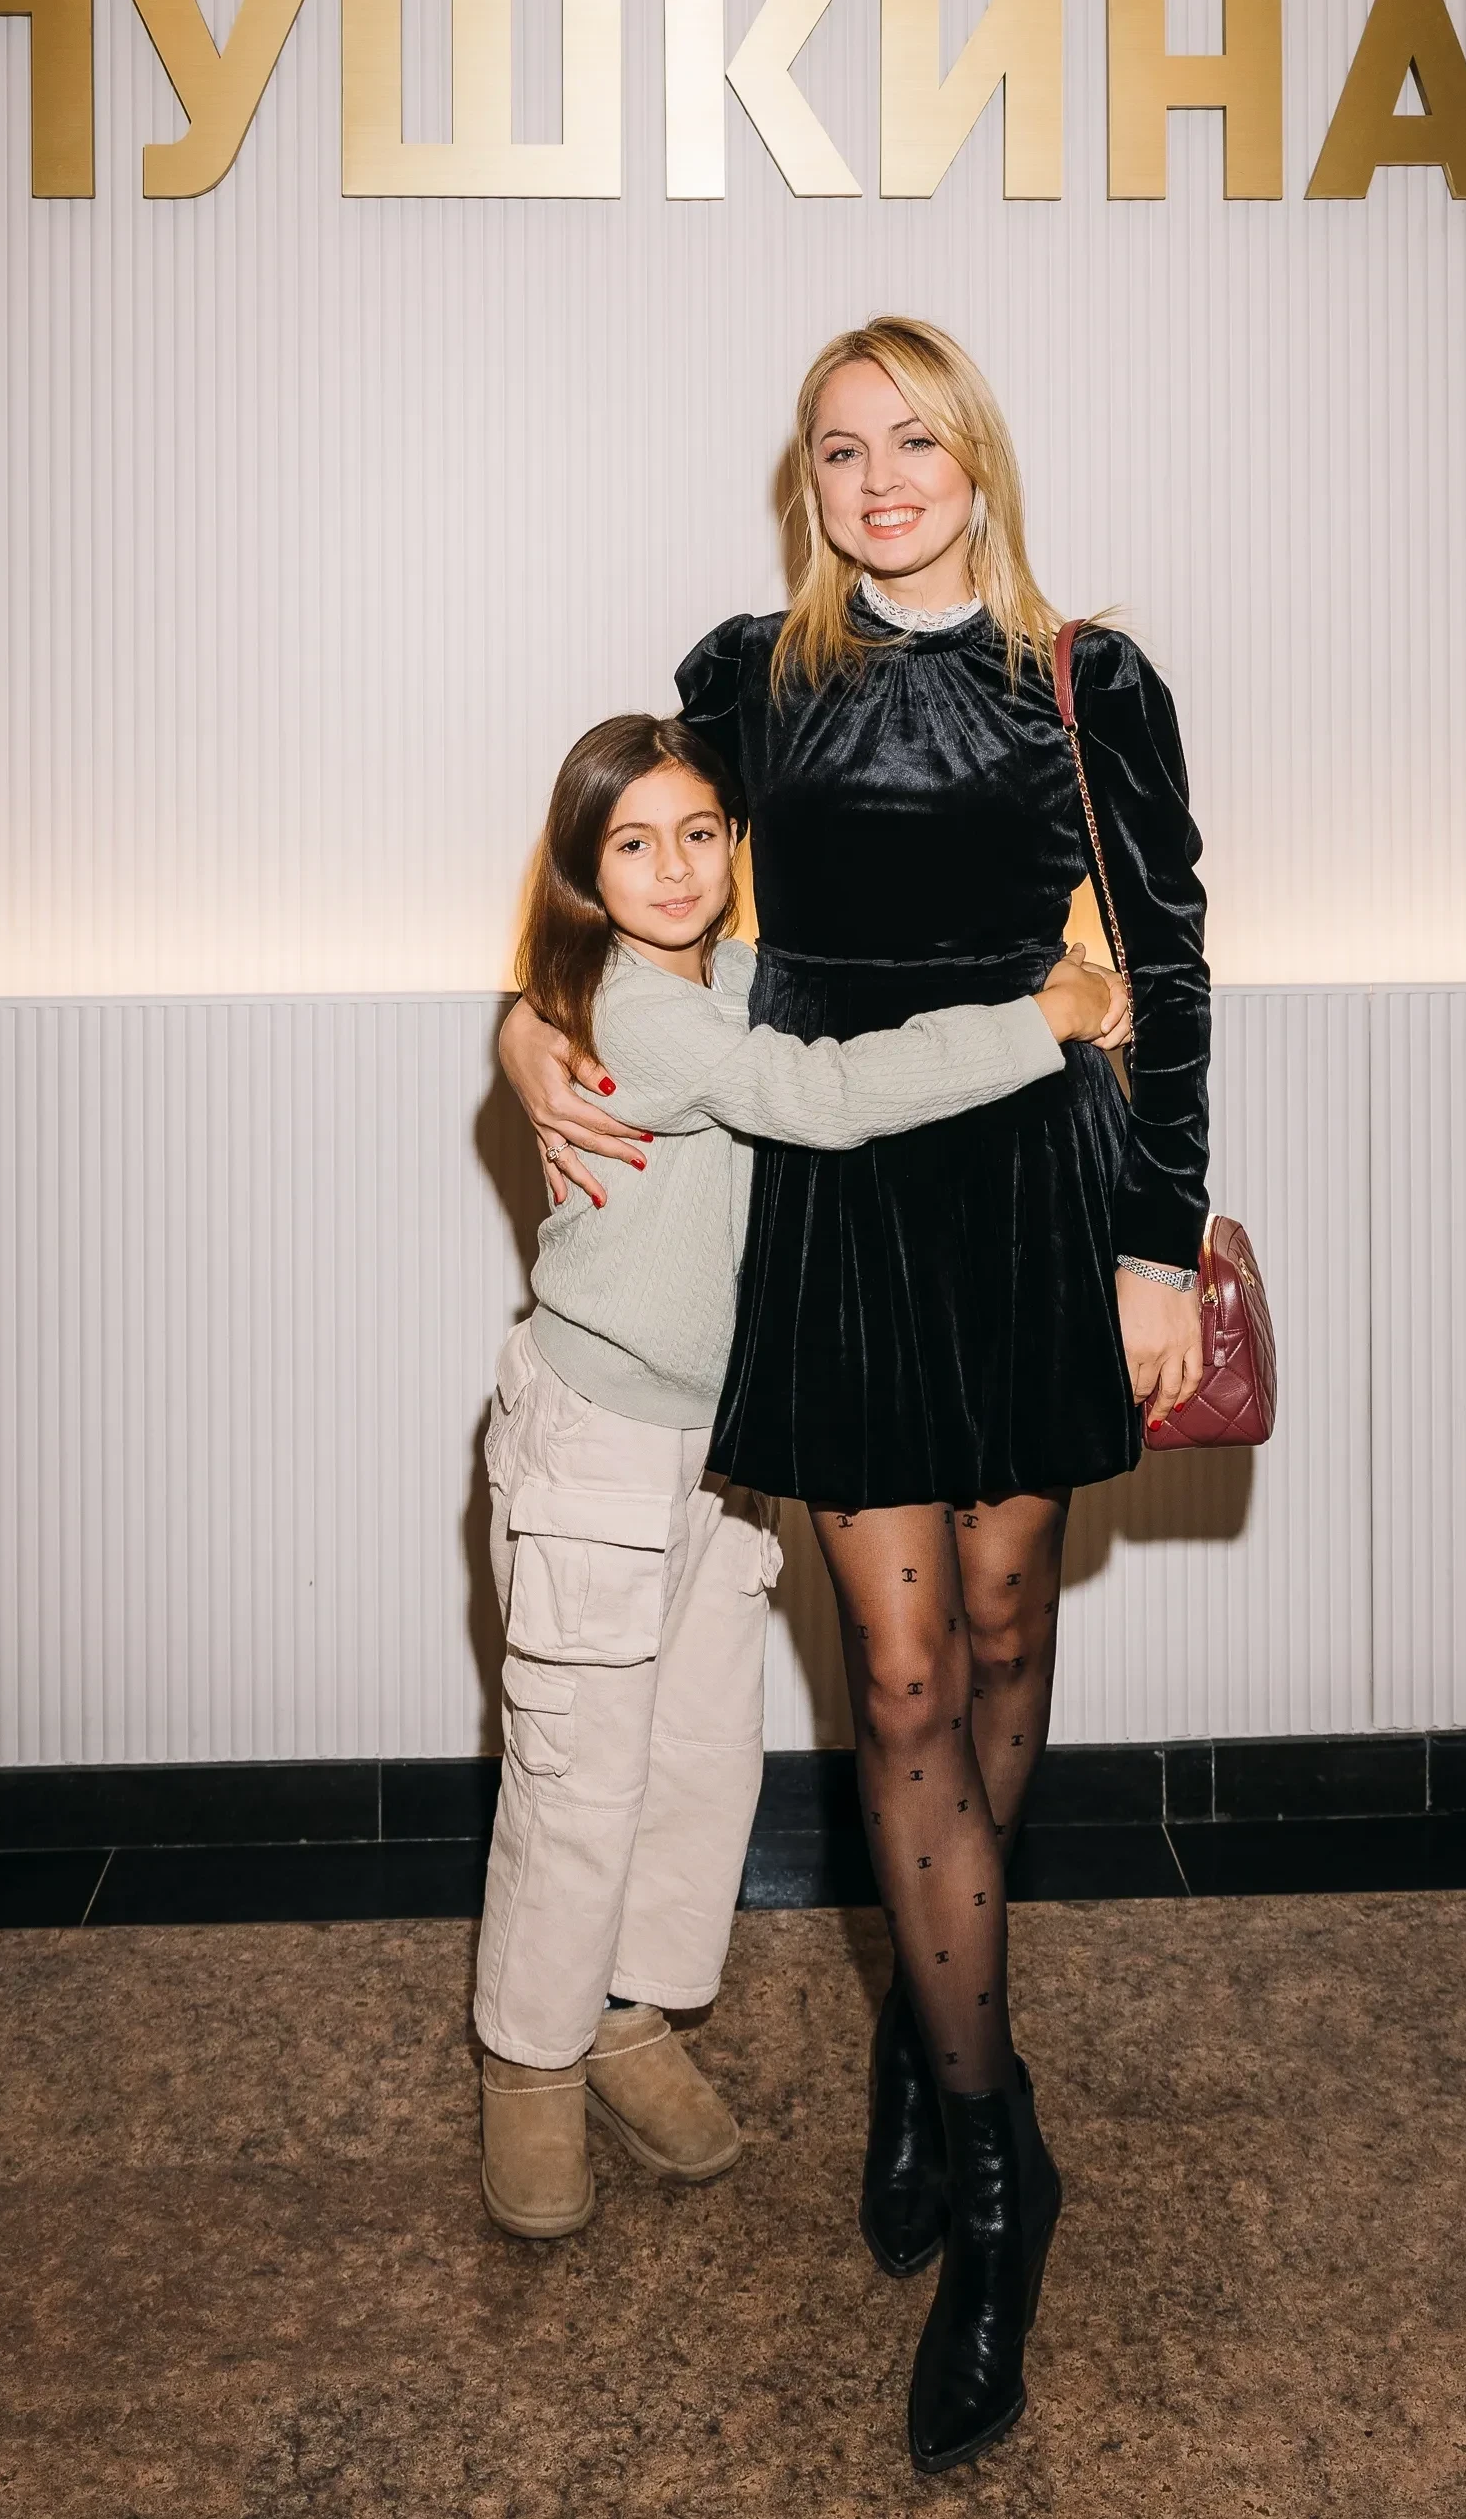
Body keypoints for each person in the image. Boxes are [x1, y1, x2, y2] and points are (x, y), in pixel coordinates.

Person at [499, 318, 1211, 2471]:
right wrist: (527, 1035)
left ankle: (924, 2023)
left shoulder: (1086, 679)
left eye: (915, 440)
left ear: (976, 457)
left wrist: (1156, 1246)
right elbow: (615, 878)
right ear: (803, 482)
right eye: (841, 450)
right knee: (895, 1681)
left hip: (1027, 1190)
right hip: (839, 1202)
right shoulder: (749, 674)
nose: (881, 478)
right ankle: (998, 2176)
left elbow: (1170, 969)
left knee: (998, 1631)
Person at [476, 706, 1130, 2246]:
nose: (675, 866)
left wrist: (1050, 983)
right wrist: (1040, 1020)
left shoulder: (733, 979)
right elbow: (824, 1096)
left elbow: (864, 1010)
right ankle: (530, 2062)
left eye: (701, 832)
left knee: (701, 1759)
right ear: (582, 871)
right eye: (633, 842)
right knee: (579, 1770)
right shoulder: (635, 1009)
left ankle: (629, 2020)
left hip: (728, 1444)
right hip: (599, 1435)